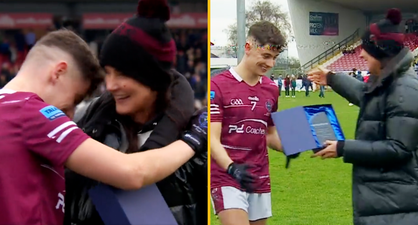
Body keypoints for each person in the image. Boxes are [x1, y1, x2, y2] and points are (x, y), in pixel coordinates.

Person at [0, 29, 207, 225]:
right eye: (76, 98)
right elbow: (133, 172)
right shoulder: (33, 114)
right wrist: (193, 138)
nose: (71, 115)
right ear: (59, 72)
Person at [65, 1, 207, 224]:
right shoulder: (87, 118)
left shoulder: (198, 133)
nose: (110, 85)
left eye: (122, 74)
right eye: (108, 73)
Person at [308, 8, 418, 225]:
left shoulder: (405, 88)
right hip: (384, 199)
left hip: (395, 204)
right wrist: (332, 78)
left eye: (366, 49)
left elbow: (399, 148)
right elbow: (368, 98)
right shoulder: (390, 82)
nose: (360, 54)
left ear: (381, 52)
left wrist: (343, 148)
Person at [210, 21, 284, 225]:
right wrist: (231, 167)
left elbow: (269, 133)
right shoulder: (216, 85)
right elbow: (212, 139)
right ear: (248, 48)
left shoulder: (271, 89)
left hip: (258, 176)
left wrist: (292, 144)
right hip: (227, 175)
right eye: (266, 56)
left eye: (275, 58)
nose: (271, 64)